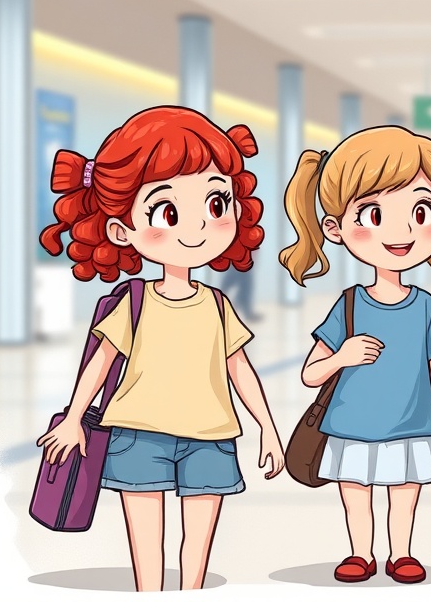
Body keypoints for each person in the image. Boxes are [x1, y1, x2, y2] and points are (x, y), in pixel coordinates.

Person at [37, 107, 285, 592]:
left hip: (212, 434)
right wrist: (72, 418)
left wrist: (269, 429)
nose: (196, 230)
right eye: (169, 213)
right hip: (137, 434)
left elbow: (241, 370)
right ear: (120, 230)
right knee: (146, 543)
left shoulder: (217, 304)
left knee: (198, 541)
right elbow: (100, 362)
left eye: (217, 205)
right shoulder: (134, 303)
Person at [279, 126, 431, 585]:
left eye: (421, 210)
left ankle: (402, 554)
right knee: (355, 491)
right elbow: (312, 374)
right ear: (334, 228)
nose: (400, 231)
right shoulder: (349, 305)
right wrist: (342, 357)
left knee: (404, 492)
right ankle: (359, 553)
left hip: (411, 425)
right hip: (351, 426)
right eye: (373, 213)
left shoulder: (425, 307)